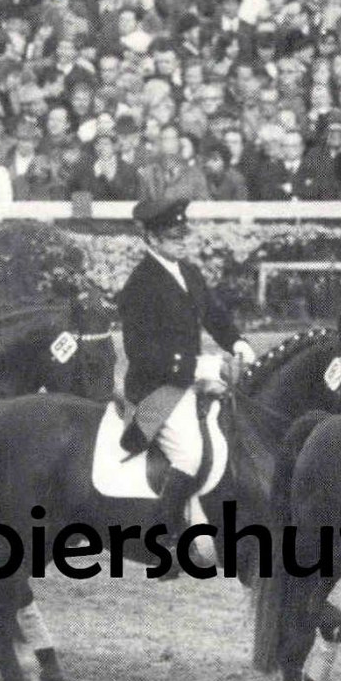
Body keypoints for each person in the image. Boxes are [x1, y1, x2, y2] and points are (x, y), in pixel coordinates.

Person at [114, 197, 256, 568]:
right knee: (189, 453)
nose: (180, 240)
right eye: (171, 235)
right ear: (151, 239)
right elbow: (141, 352)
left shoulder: (188, 272)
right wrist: (197, 366)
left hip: (191, 380)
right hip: (157, 388)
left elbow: (214, 315)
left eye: (182, 234)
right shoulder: (140, 284)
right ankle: (165, 539)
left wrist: (238, 343)